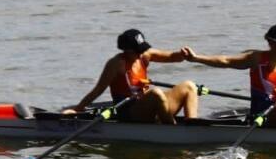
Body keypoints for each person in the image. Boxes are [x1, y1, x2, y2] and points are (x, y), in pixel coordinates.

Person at [68, 29, 199, 123]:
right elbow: (98, 90)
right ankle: (173, 130)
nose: (142, 53)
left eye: (142, 49)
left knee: (189, 86)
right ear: (127, 50)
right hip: (129, 112)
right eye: (138, 51)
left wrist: (183, 55)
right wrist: (77, 109)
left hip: (148, 107)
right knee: (156, 93)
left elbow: (172, 57)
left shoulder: (145, 55)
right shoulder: (116, 64)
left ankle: (192, 125)